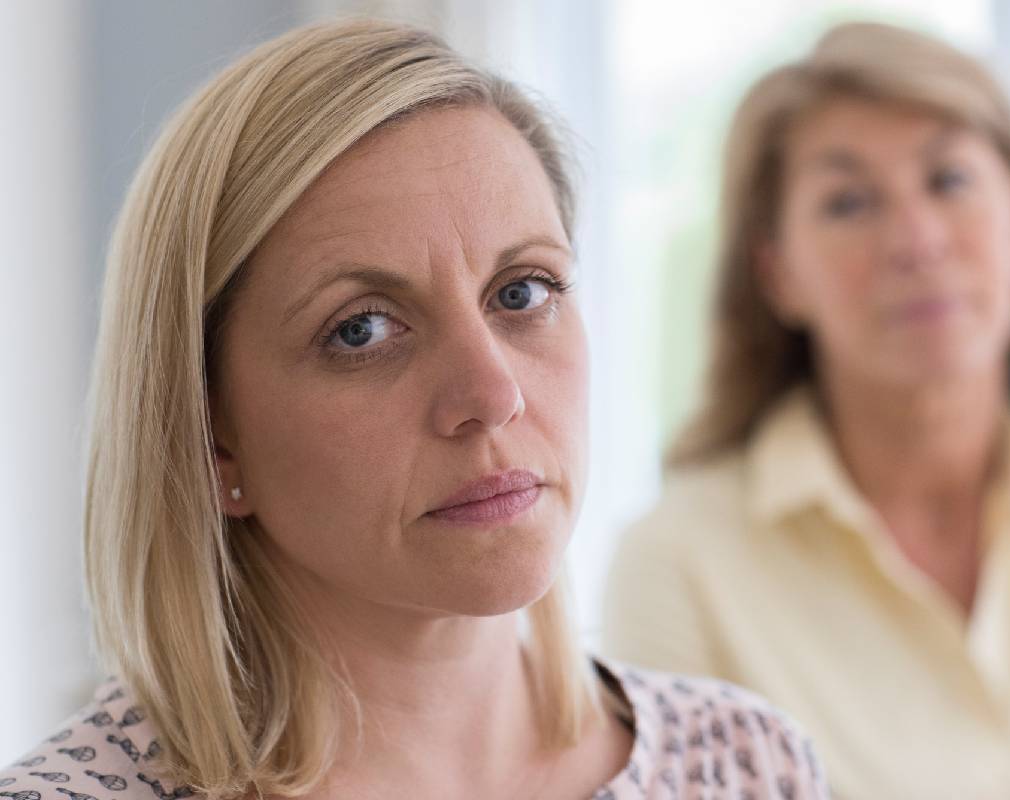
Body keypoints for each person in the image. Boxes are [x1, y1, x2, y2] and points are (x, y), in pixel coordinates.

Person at [0, 19, 829, 800]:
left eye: (522, 291)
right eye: (361, 330)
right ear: (212, 439)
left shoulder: (746, 765)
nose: (493, 396)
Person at [603, 21, 1010, 800]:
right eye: (848, 202)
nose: (916, 240)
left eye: (949, 180)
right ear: (778, 274)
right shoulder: (681, 563)